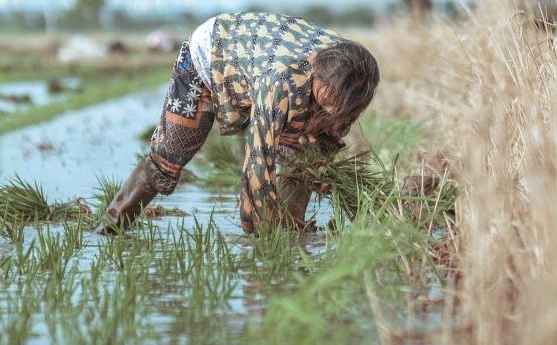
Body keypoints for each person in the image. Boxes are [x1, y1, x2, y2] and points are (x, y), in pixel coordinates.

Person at [103, 12, 380, 234]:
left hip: (259, 65)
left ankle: (291, 230)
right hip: (213, 53)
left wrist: (319, 164)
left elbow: (325, 139)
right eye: (329, 98)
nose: (334, 107)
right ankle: (110, 226)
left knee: (304, 157)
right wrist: (257, 229)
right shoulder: (282, 80)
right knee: (169, 157)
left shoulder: (355, 79)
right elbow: (258, 160)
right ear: (318, 75)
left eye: (341, 104)